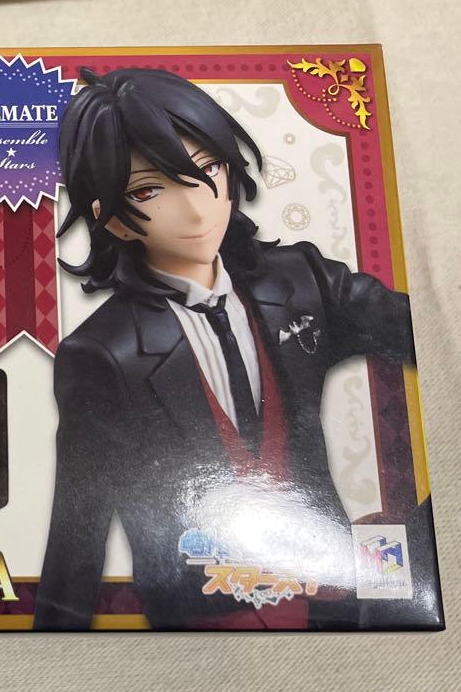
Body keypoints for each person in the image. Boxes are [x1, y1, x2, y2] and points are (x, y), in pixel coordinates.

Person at [33, 67, 418, 631]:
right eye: (148, 191)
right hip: (203, 622)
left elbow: (420, 333)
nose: (196, 208)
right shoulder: (102, 353)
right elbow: (79, 526)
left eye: (208, 169)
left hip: (333, 594)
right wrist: (53, 649)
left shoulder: (302, 281)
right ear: (110, 218)